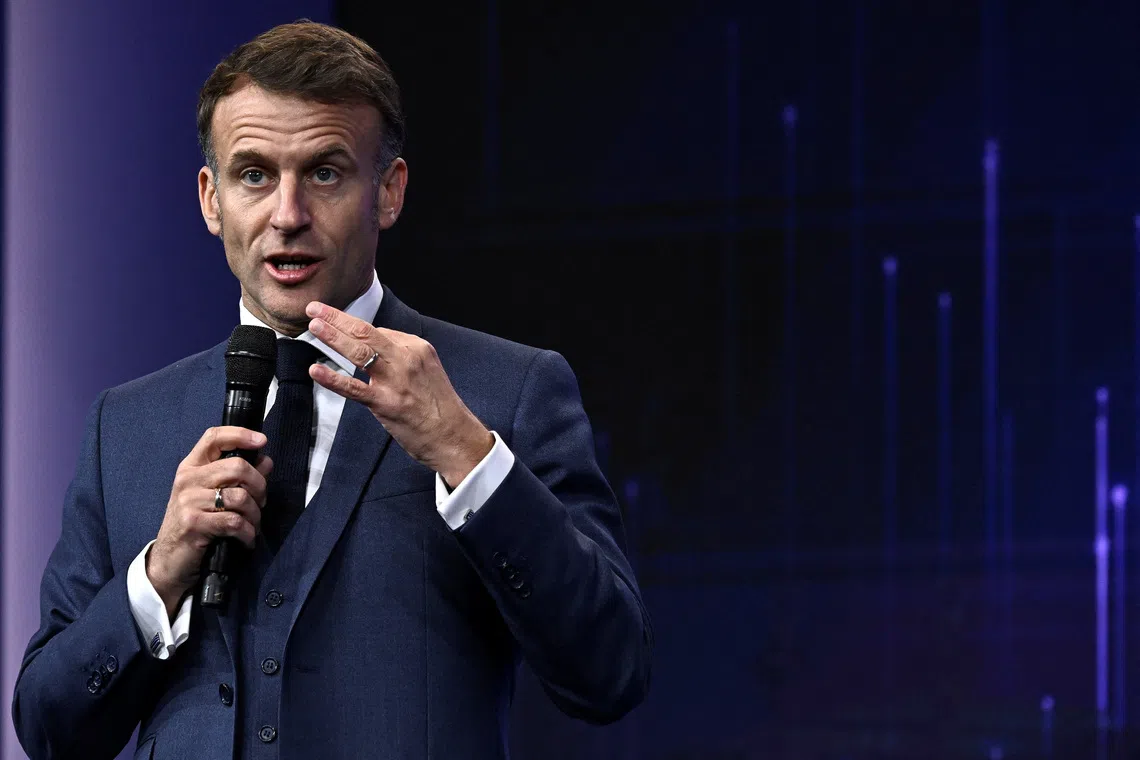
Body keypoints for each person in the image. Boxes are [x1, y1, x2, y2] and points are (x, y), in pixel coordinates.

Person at [11, 20, 651, 760]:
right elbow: (49, 729)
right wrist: (159, 574)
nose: (287, 215)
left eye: (324, 172)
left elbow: (611, 672)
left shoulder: (506, 390)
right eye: (254, 174)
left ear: (389, 192)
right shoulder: (125, 425)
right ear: (211, 199)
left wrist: (468, 455)